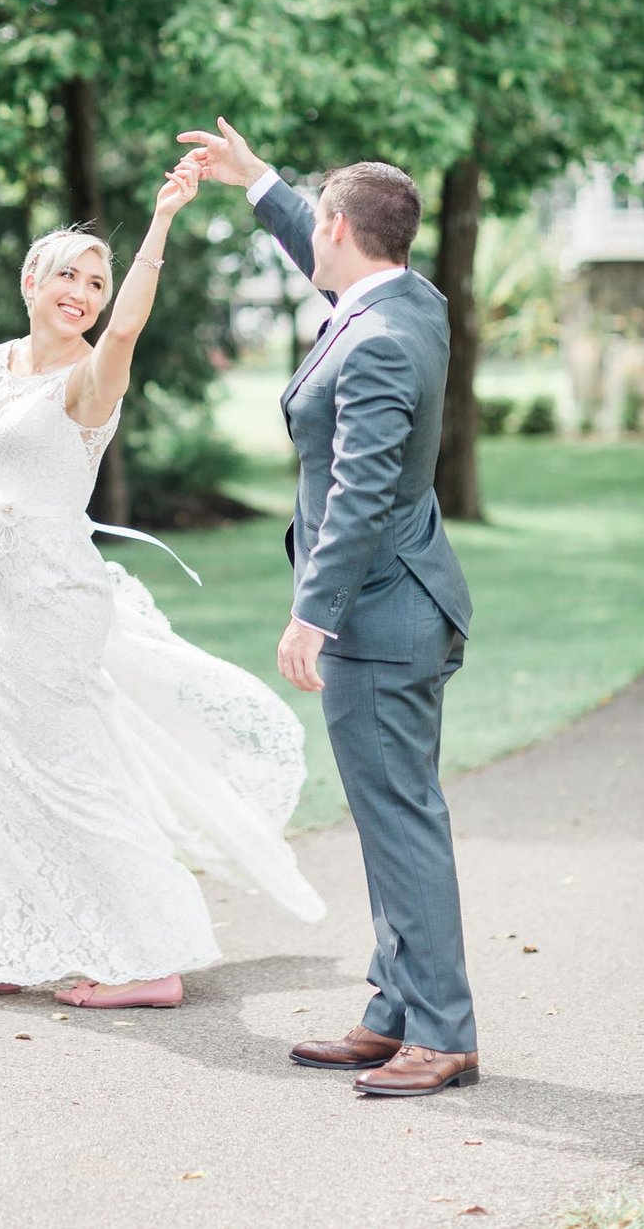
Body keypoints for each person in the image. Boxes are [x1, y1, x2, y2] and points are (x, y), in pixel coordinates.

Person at [0, 157, 321, 1011]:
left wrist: (162, 223)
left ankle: (151, 958)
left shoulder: (91, 379)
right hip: (0, 594)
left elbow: (129, 328)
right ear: (31, 281)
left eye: (95, 283)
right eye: (68, 273)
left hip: (59, 601)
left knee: (72, 774)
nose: (83, 291)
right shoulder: (5, 360)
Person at [181, 119, 482, 1097]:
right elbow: (334, 274)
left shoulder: (381, 341)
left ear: (342, 229)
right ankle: (393, 1011)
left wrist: (313, 613)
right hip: (406, 601)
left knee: (400, 824)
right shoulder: (407, 301)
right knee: (393, 817)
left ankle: (441, 1032)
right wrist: (256, 180)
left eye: (316, 219)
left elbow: (357, 490)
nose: (311, 234)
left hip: (379, 615)